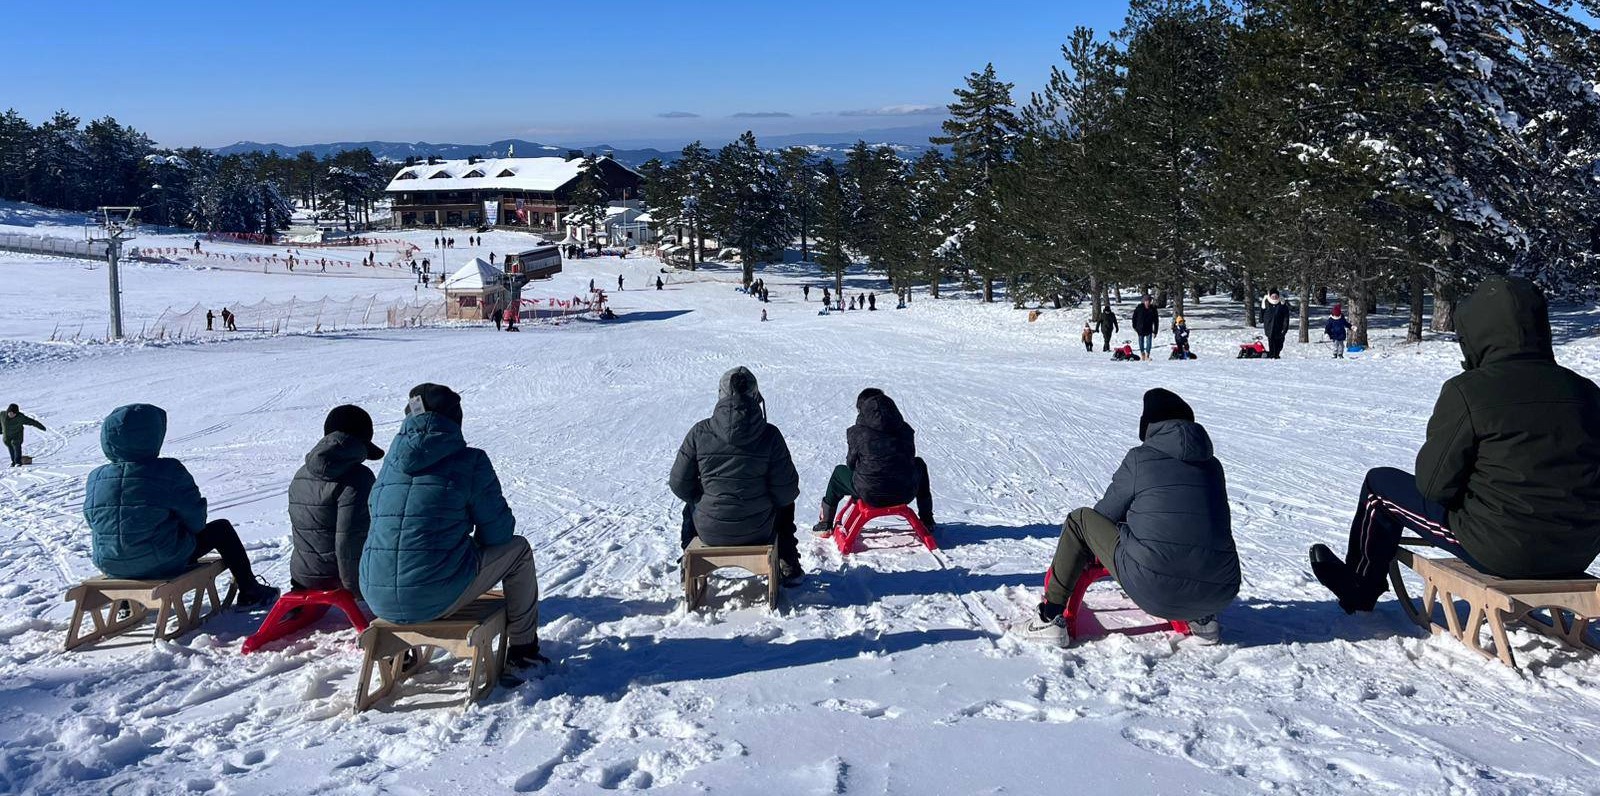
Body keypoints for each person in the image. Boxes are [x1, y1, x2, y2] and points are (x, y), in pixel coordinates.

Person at [1309, 277, 1600, 613]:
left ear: (1475, 334)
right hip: (1578, 548)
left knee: (1380, 485)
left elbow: (1433, 486)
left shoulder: (1471, 391)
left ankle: (1360, 585)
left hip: (1503, 551)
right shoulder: (1587, 391)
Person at [1015, 389, 1237, 646]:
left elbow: (1104, 515)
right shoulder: (1213, 465)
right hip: (1220, 592)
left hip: (1154, 588)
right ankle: (1203, 620)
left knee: (1080, 521)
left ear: (1149, 426)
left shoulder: (1140, 458)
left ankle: (1049, 618)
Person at [362, 384, 546, 667]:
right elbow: (498, 534)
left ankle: (398, 649)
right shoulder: (470, 461)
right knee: (518, 550)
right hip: (433, 593)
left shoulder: (389, 466)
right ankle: (523, 651)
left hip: (376, 595)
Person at [83, 404, 279, 607]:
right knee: (221, 529)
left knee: (126, 539)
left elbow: (94, 520)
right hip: (161, 560)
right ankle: (250, 589)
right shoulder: (168, 471)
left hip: (109, 563)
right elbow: (196, 520)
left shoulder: (96, 477)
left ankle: (126, 603)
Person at [669, 366, 803, 585]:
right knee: (786, 505)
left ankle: (688, 563)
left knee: (690, 504)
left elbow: (679, 485)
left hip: (709, 530)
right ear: (755, 395)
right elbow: (786, 491)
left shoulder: (699, 432)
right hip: (759, 528)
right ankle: (788, 562)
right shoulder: (770, 434)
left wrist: (702, 497)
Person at [812, 389, 936, 536]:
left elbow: (850, 464)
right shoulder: (905, 429)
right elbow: (909, 458)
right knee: (919, 463)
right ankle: (927, 519)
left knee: (839, 473)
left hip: (870, 493)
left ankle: (825, 523)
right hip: (905, 492)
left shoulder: (858, 432)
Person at [288, 405, 383, 596]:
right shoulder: (358, 478)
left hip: (301, 576)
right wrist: (356, 589)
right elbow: (349, 540)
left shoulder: (301, 473)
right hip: (335, 578)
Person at [1262, 289, 1292, 359]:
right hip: (1269, 328)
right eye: (1273, 296)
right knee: (1271, 343)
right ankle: (1272, 356)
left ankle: (1276, 354)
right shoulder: (1266, 304)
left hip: (1279, 328)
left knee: (1279, 344)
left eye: (1276, 296)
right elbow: (1261, 318)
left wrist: (1285, 328)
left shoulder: (1282, 305)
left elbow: (1286, 318)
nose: (1274, 297)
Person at [1131, 295, 1158, 361]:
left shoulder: (1153, 309)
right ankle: (1142, 354)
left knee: (1149, 342)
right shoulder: (1139, 308)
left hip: (1149, 328)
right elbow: (1134, 317)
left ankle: (1147, 355)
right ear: (1144, 301)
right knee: (1141, 342)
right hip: (1140, 328)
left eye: (1149, 301)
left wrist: (1155, 331)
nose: (1147, 302)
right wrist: (1134, 326)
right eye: (1146, 301)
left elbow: (1156, 321)